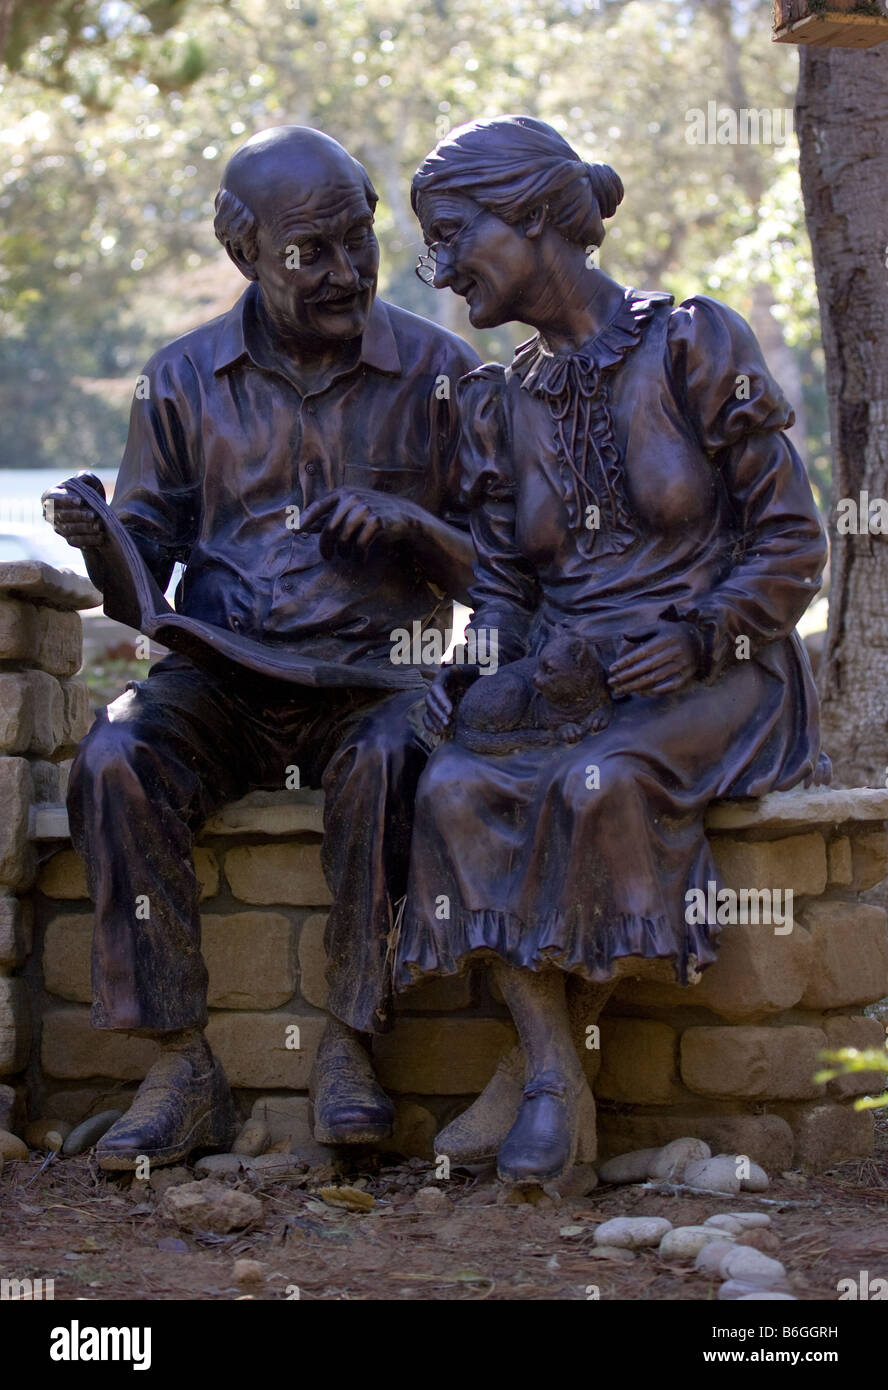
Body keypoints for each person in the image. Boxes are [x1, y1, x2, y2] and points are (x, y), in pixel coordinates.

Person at [397, 115, 829, 1185]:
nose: (443, 270)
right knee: (452, 783)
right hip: (571, 677)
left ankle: (541, 1089)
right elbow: (501, 585)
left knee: (604, 779)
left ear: (540, 216)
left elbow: (791, 541)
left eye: (456, 237)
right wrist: (466, 669)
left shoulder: (692, 339)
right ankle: (551, 1064)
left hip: (722, 670)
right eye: (433, 246)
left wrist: (699, 635)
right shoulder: (501, 402)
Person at [43, 125, 480, 1170]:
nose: (344, 272)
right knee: (114, 757)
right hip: (223, 679)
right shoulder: (182, 378)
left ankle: (349, 1044)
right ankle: (179, 1064)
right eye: (308, 252)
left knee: (392, 761)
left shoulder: (442, 372)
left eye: (356, 243)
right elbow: (144, 561)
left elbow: (505, 564)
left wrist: (414, 527)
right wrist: (107, 539)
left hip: (374, 682)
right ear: (245, 255)